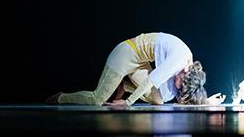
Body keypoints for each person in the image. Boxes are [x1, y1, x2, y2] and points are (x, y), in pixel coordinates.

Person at [46, 32, 225, 106]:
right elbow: (151, 80)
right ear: (184, 73)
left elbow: (180, 96)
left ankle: (126, 85)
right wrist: (128, 103)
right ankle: (61, 97)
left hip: (140, 65)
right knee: (97, 99)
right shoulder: (179, 60)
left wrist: (206, 102)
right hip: (125, 54)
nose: (176, 86)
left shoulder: (188, 65)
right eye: (179, 83)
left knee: (159, 99)